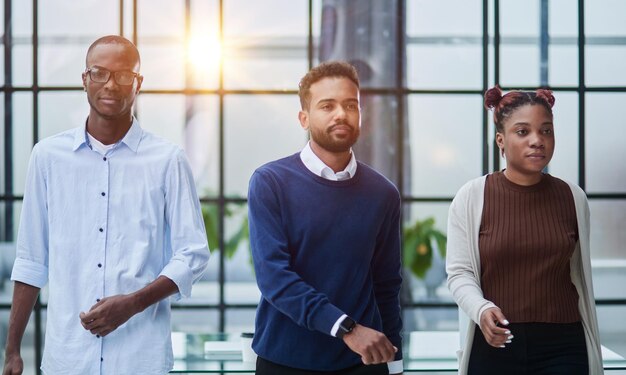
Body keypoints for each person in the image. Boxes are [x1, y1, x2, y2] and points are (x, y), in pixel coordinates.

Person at [2, 35, 210, 375]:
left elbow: (193, 254)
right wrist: (12, 351)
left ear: (138, 83)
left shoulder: (168, 160)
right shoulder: (47, 157)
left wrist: (133, 304)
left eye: (124, 75)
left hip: (140, 359)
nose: (111, 84)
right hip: (67, 358)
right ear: (85, 79)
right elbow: (31, 261)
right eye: (99, 73)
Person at [247, 61, 403, 375]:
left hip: (363, 364)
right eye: (327, 106)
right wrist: (347, 328)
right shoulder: (270, 182)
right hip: (285, 361)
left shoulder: (383, 193)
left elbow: (386, 284)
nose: (341, 114)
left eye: (350, 105)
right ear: (304, 118)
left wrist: (395, 361)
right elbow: (275, 278)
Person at [446, 86, 603, 375]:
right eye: (523, 132)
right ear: (500, 140)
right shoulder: (471, 197)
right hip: (495, 342)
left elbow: (579, 275)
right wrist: (480, 310)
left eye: (546, 131)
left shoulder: (573, 197)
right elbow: (459, 273)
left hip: (564, 344)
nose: (537, 141)